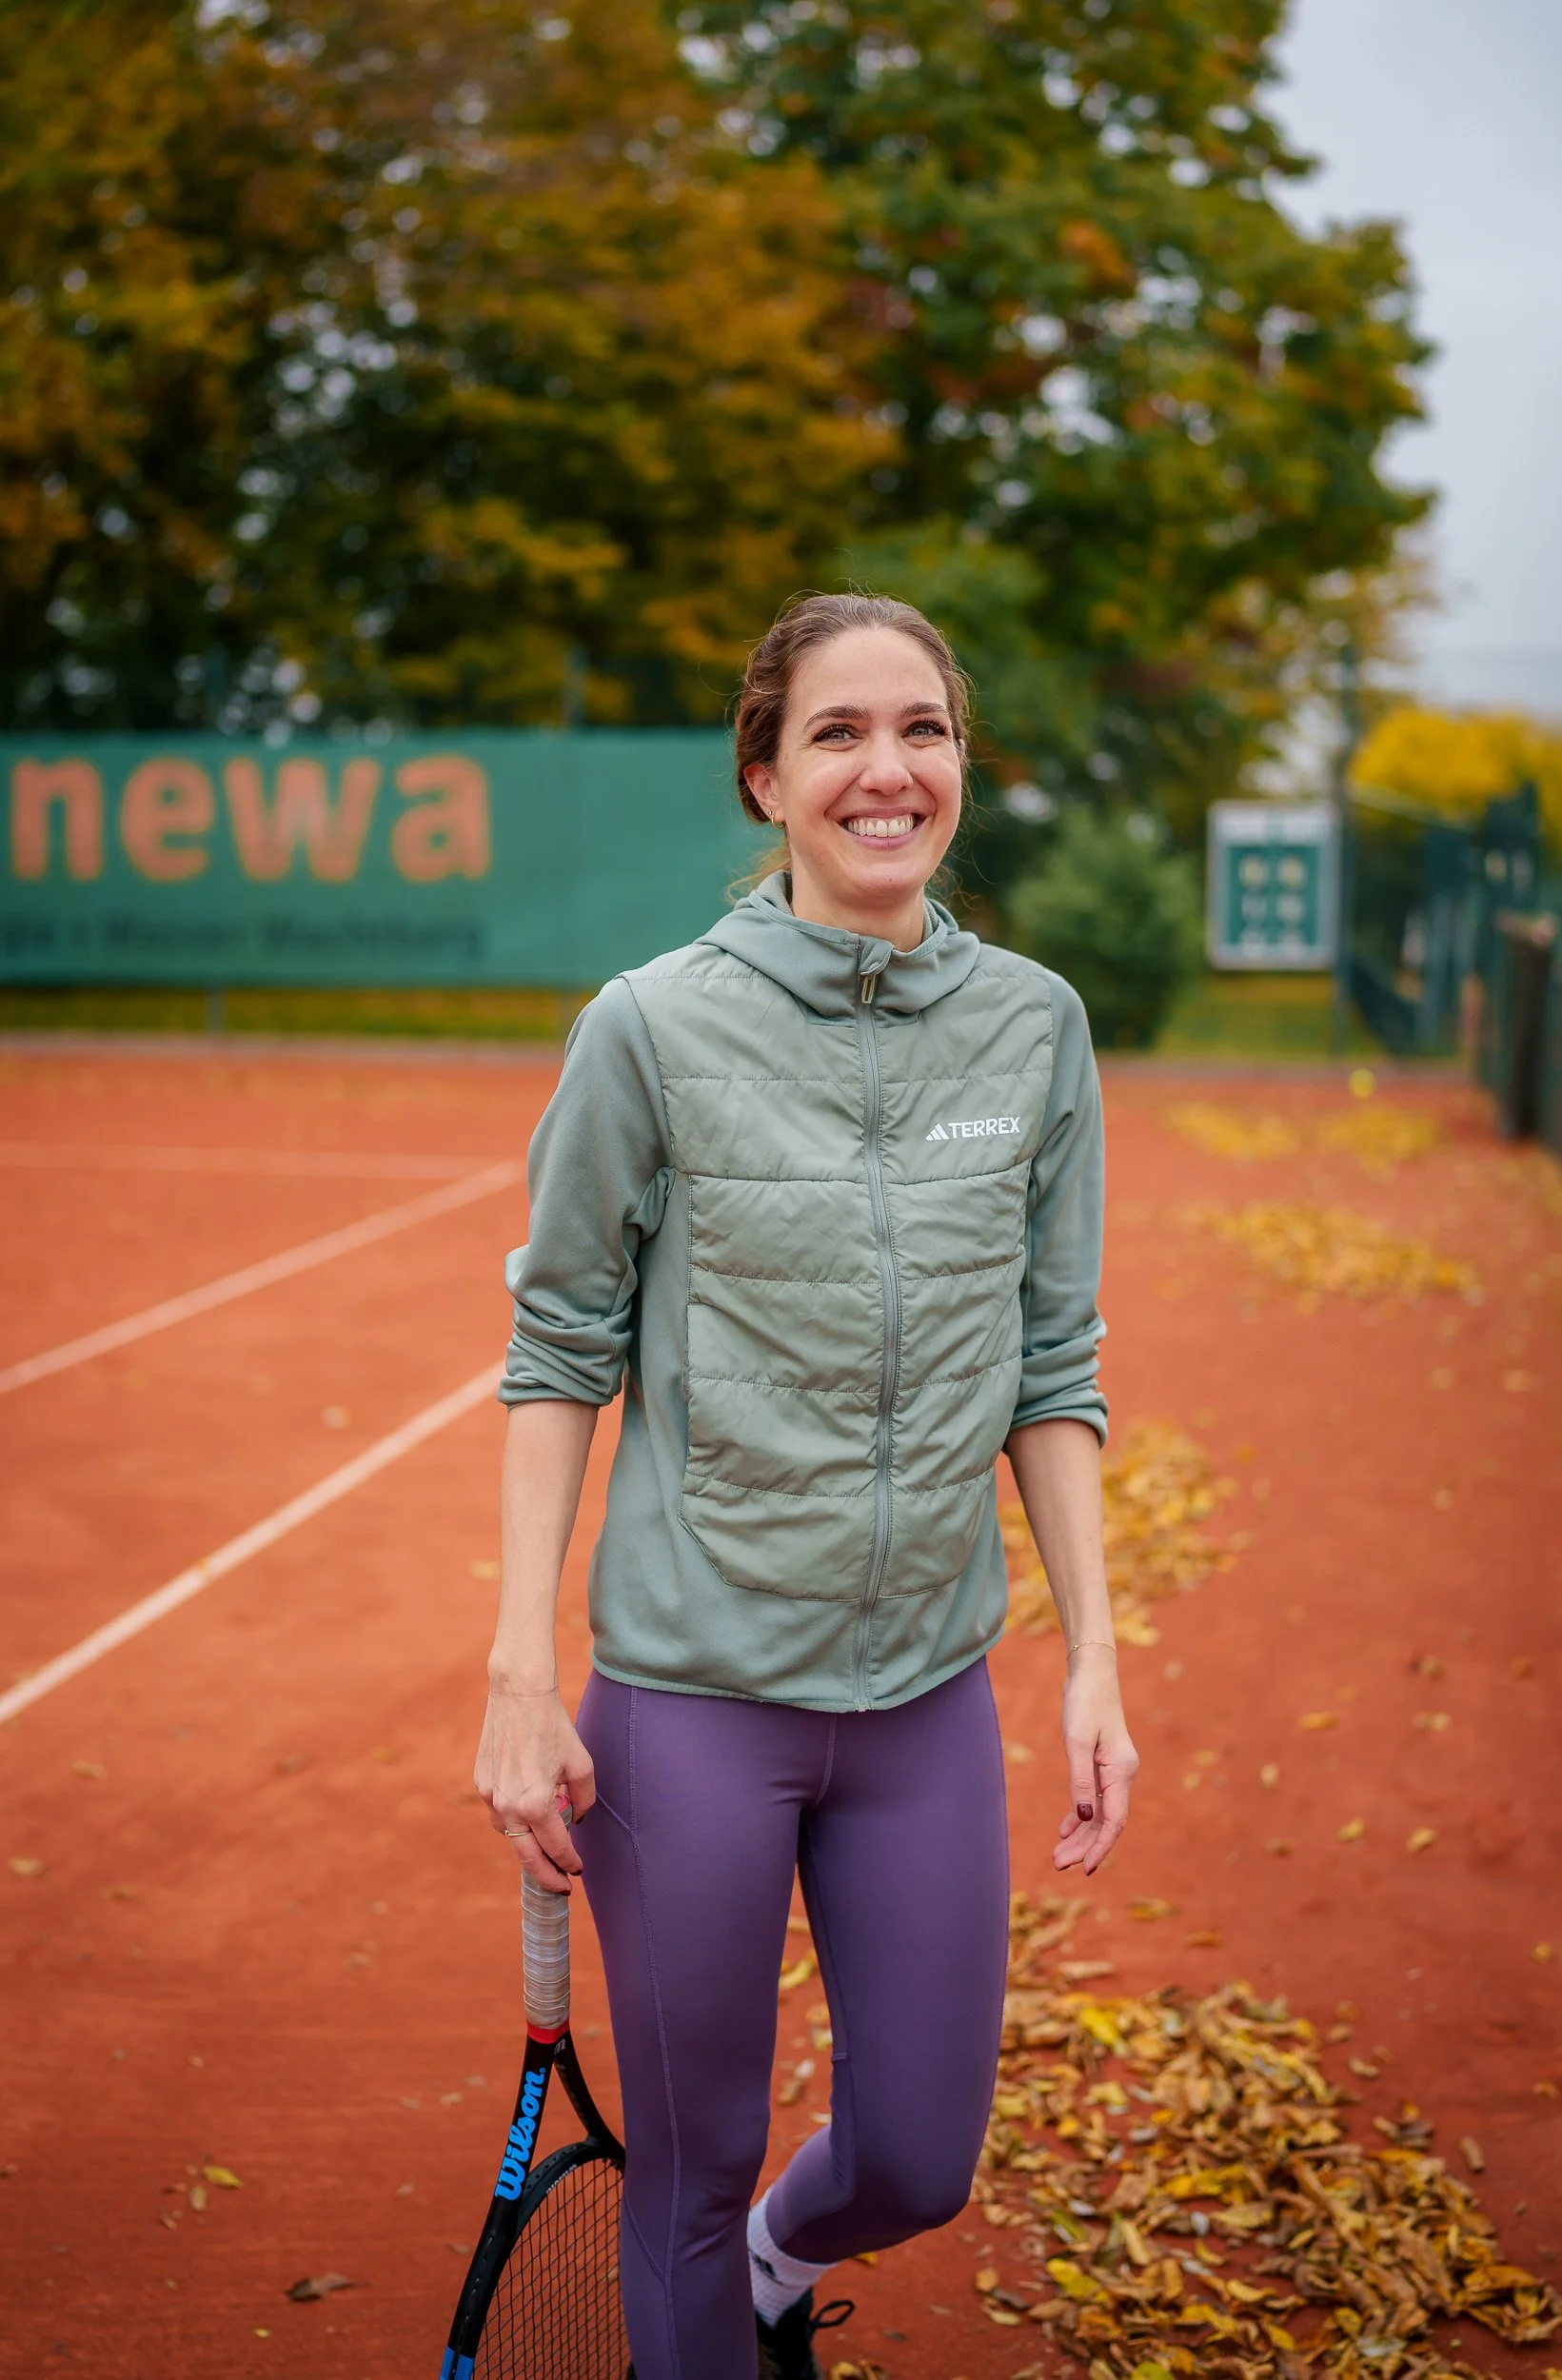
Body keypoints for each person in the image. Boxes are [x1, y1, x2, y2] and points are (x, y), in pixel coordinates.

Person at [476, 592, 1138, 2380]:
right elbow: (558, 1358)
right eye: (836, 734)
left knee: (918, 2157)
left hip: (924, 1696)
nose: (885, 768)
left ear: (958, 767)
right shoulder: (648, 1029)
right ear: (766, 777)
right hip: (692, 1706)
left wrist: (1087, 1659)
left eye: (919, 728)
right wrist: (522, 1677)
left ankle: (783, 2268)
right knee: (685, 2183)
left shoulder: (1034, 1031)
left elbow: (1053, 1369)